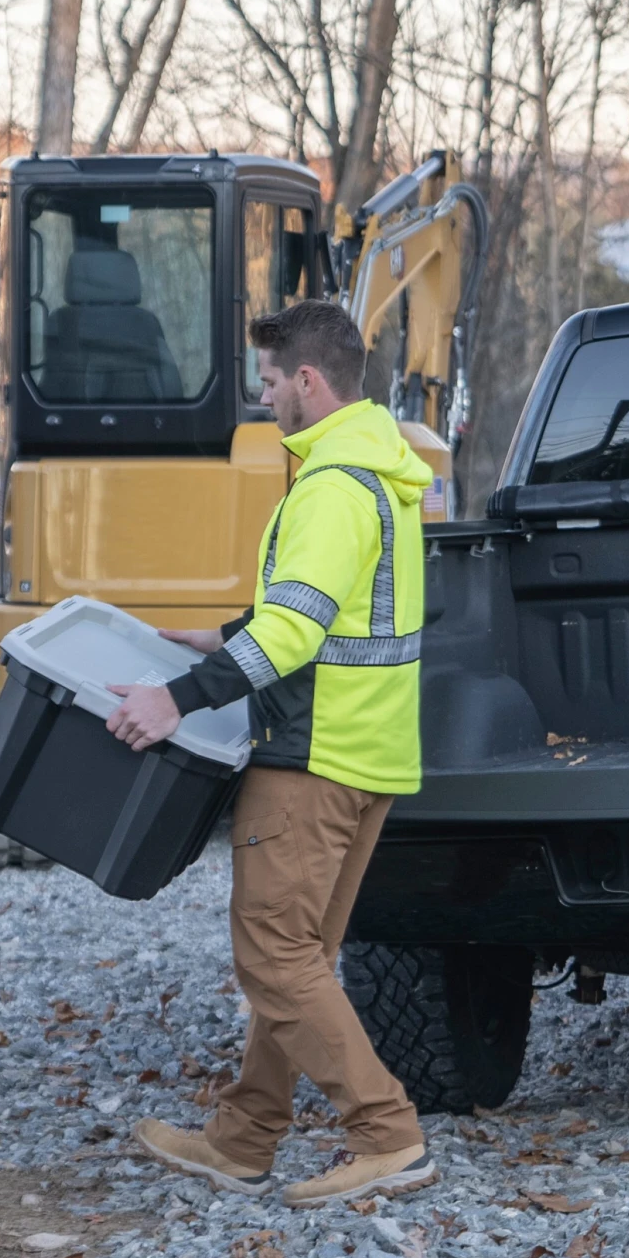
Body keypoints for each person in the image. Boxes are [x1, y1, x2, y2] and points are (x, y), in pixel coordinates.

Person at [104, 300, 436, 1209]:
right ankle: (244, 1140)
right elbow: (325, 614)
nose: (264, 399)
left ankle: (386, 1135)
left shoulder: (331, 484)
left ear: (309, 382)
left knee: (272, 959)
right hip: (366, 752)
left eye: (270, 382)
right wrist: (219, 637)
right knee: (298, 960)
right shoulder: (382, 474)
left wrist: (174, 700)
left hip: (310, 758)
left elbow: (295, 631)